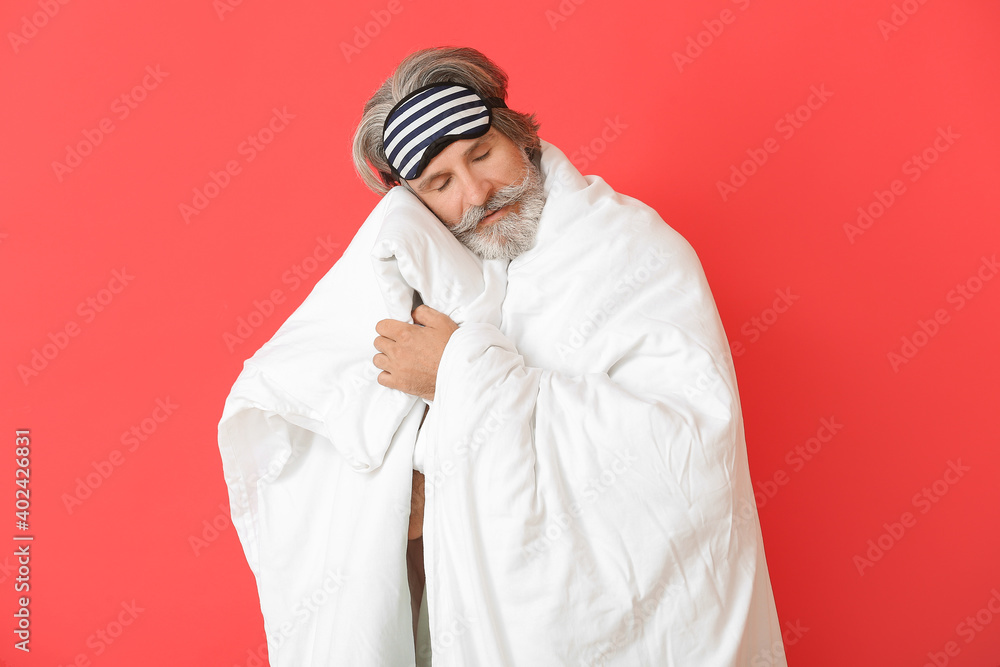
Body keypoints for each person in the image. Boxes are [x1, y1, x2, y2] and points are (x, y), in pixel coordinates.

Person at [352, 46, 787, 665]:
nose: (477, 192)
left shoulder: (633, 251)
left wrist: (459, 372)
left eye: (482, 154)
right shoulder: (449, 292)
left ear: (519, 137)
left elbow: (688, 453)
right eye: (440, 183)